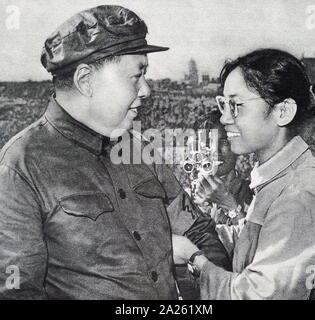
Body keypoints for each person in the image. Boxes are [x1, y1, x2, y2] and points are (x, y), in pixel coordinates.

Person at [0, 5, 229, 299]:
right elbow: (18, 293)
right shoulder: (20, 168)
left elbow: (197, 230)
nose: (146, 90)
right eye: (136, 76)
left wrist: (209, 283)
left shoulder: (139, 151)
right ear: (86, 81)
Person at [172, 48, 315, 300]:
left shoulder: (299, 194)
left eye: (236, 105)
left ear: (282, 111)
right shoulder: (278, 178)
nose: (224, 118)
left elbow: (259, 295)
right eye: (223, 104)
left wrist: (195, 259)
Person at [186, 110, 253, 226]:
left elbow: (252, 242)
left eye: (224, 142)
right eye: (207, 143)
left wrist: (229, 204)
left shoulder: (253, 196)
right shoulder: (185, 199)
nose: (215, 151)